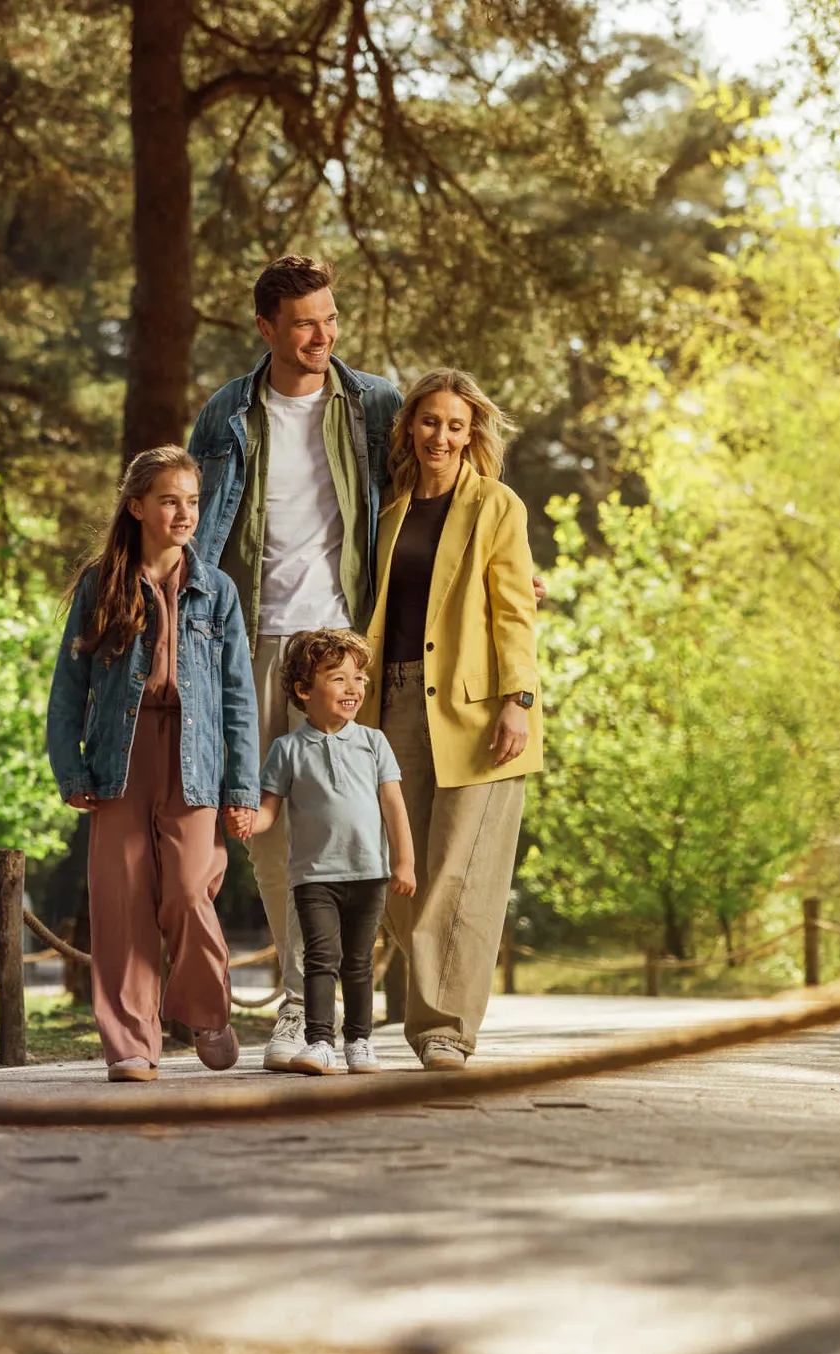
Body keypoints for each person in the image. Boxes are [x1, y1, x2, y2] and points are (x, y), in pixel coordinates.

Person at [186, 256, 404, 1070]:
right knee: (270, 838)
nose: (324, 335)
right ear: (267, 328)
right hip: (253, 644)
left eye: (331, 317)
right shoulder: (227, 414)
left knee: (356, 831)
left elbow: (438, 487)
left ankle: (347, 1015)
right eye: (306, 322)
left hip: (346, 639)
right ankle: (297, 1012)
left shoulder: (375, 403)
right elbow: (193, 528)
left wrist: (507, 560)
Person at [46, 445, 262, 1082]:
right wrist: (70, 767)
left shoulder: (215, 590)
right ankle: (132, 1045)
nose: (184, 513)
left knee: (191, 890)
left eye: (192, 501)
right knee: (121, 901)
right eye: (170, 500)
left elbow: (237, 697)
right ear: (137, 507)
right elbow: (69, 686)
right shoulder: (100, 585)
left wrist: (242, 786)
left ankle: (205, 1008)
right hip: (119, 757)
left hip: (194, 758)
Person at [359, 370, 543, 1071]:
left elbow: (513, 612)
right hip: (393, 702)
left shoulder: (497, 506)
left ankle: (445, 1029)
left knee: (462, 873)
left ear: (473, 436)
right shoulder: (388, 510)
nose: (441, 435)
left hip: (477, 709)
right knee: (399, 872)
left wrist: (517, 701)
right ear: (409, 427)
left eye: (456, 426)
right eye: (430, 421)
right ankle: (434, 1004)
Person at [242, 629, 416, 1075]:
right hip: (314, 877)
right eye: (338, 679)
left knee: (359, 963)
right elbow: (268, 812)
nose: (354, 688)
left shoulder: (374, 742)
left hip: (368, 874)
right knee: (319, 960)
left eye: (359, 678)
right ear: (304, 690)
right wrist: (247, 822)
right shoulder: (286, 750)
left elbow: (394, 804)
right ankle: (320, 1042)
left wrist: (404, 862)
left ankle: (359, 1041)